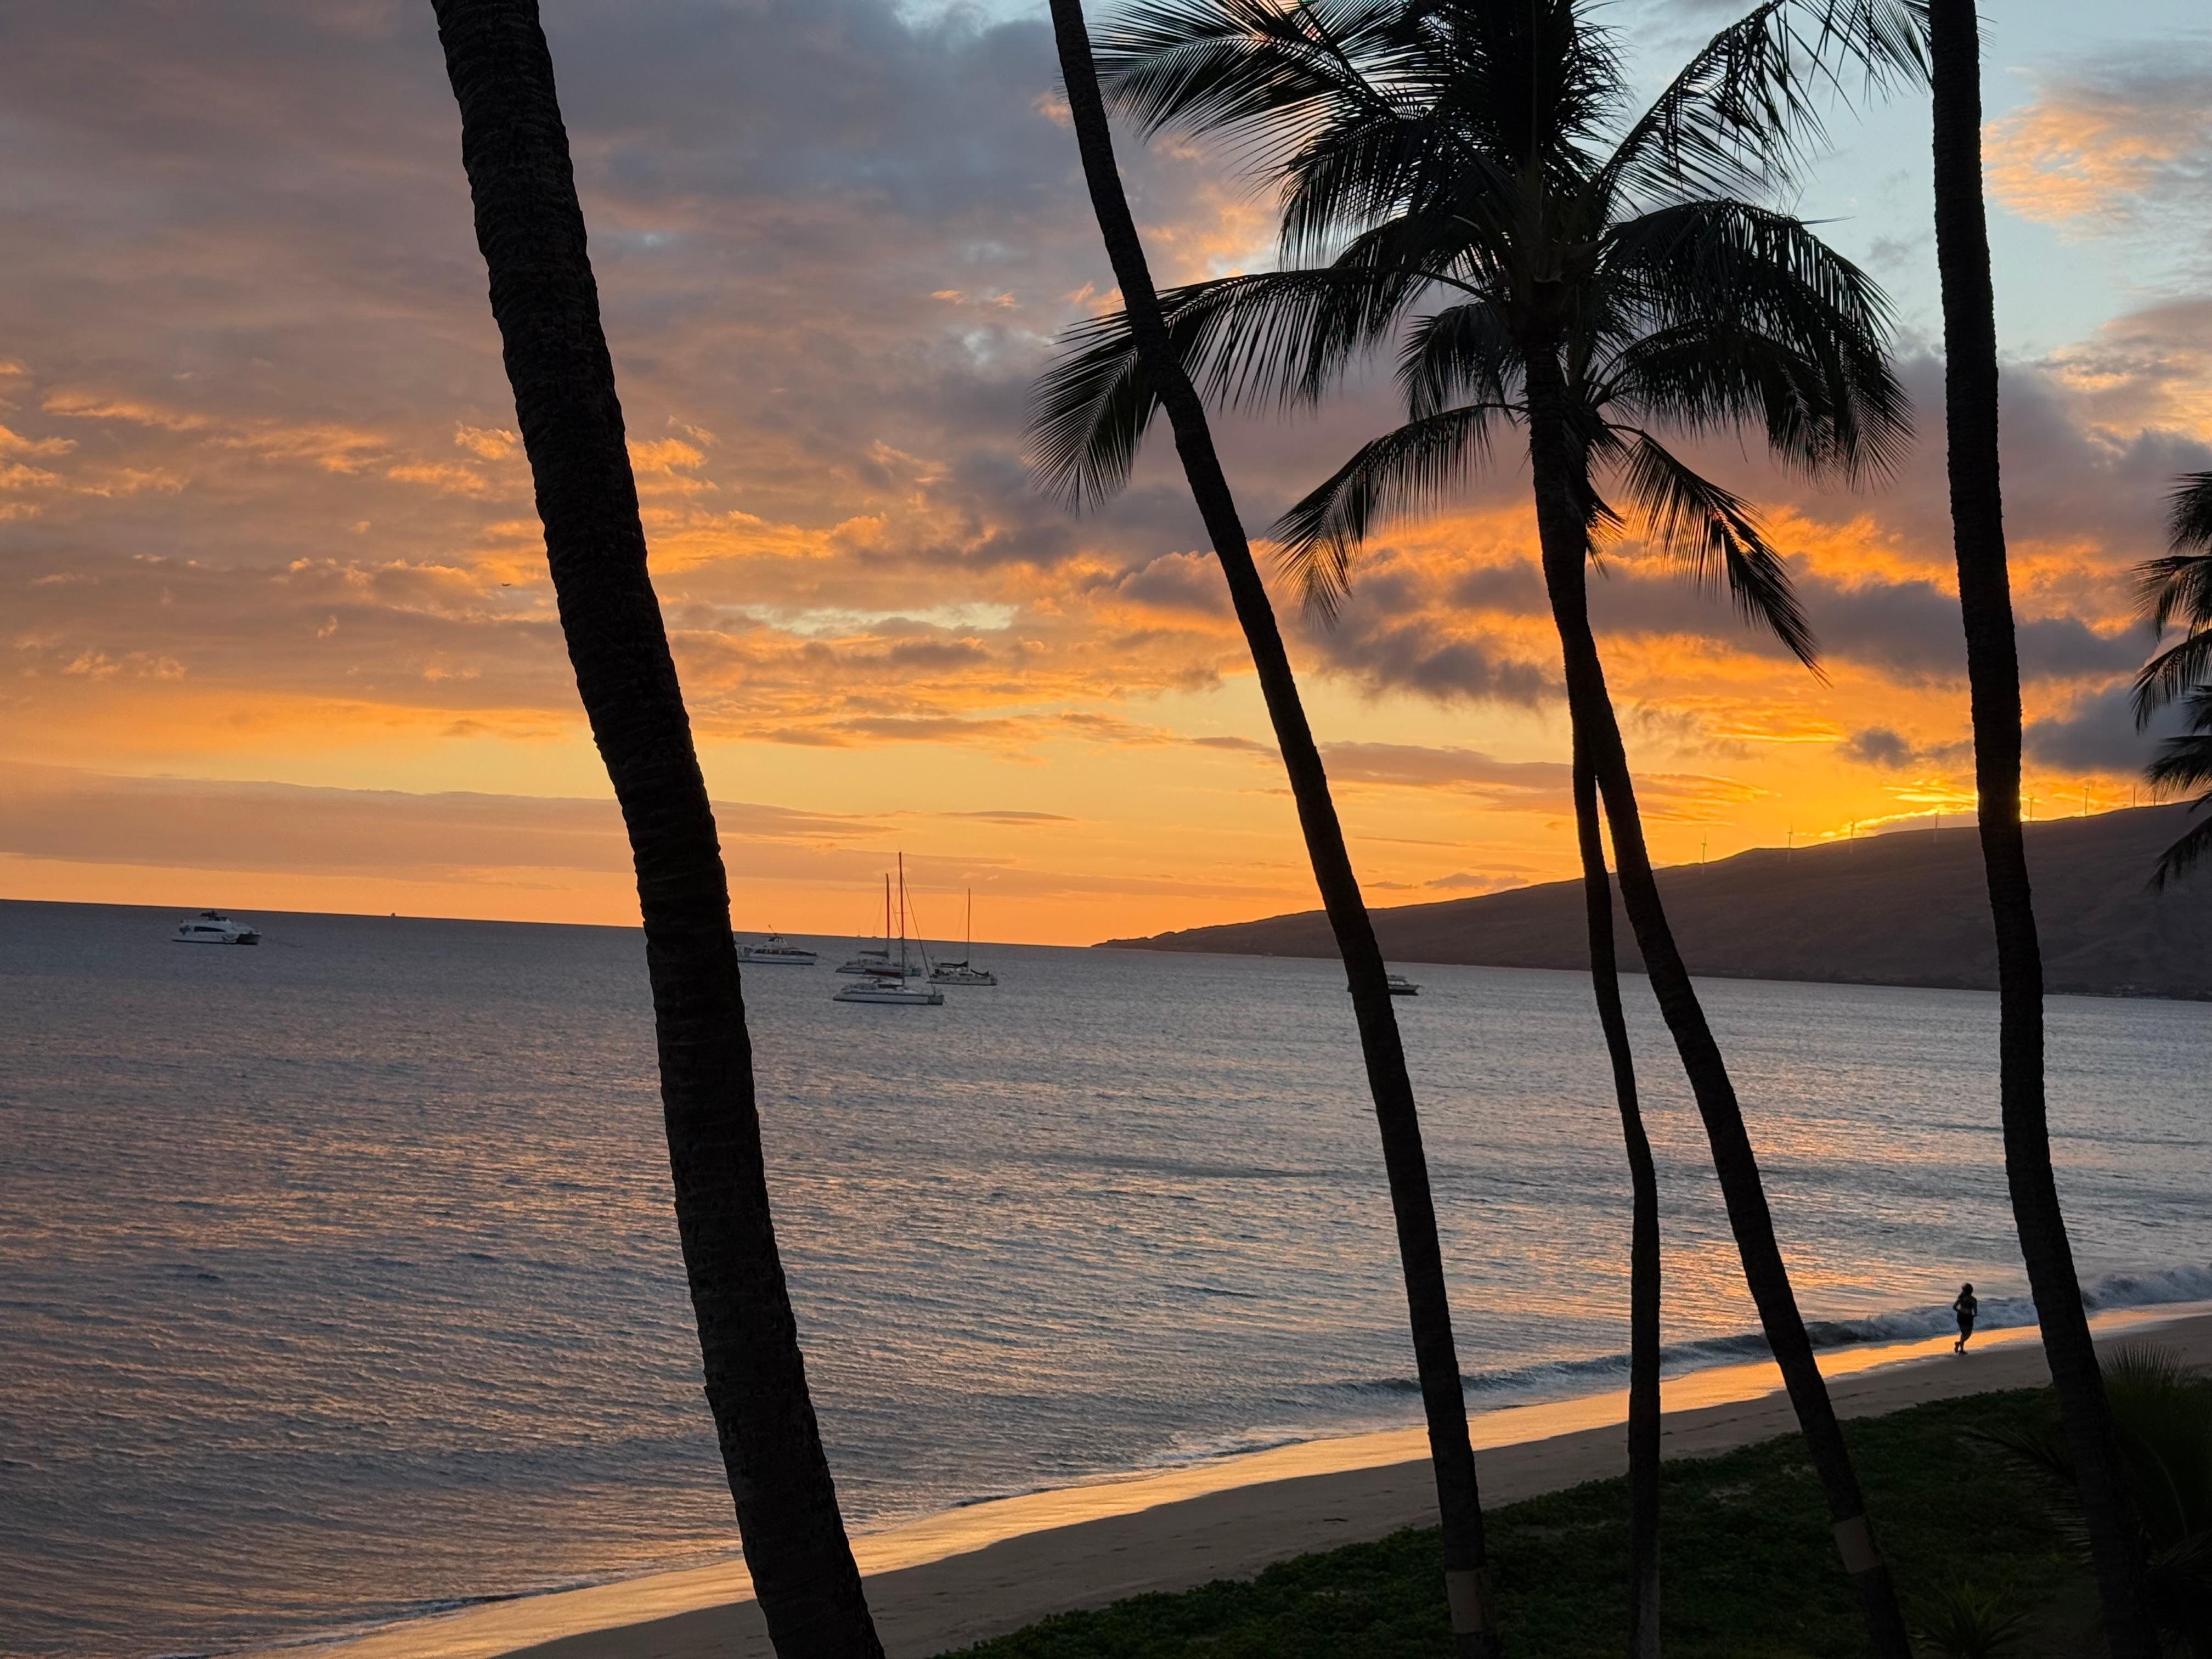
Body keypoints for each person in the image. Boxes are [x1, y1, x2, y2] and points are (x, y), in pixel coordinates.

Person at [1953, 1283, 1978, 1354]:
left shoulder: (1961, 1298)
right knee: (1968, 1333)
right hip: (1968, 1317)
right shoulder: (1973, 1299)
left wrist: (1960, 1312)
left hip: (1962, 1316)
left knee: (1964, 1333)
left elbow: (1954, 1307)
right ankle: (1960, 1348)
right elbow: (1975, 1310)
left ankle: (1960, 1346)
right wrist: (1975, 1314)